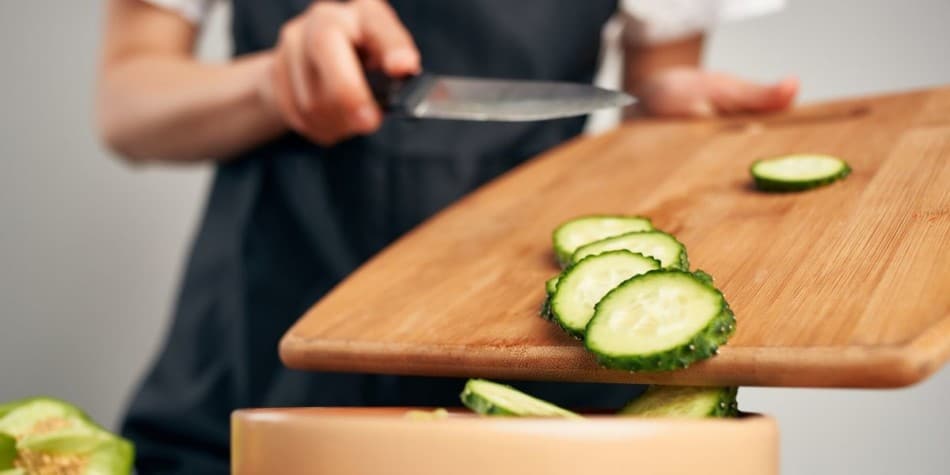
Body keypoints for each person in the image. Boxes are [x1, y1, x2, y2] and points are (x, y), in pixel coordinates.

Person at [97, 0, 797, 473]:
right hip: (259, 328)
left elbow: (655, 85)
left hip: (523, 344)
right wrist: (272, 86)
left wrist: (664, 120)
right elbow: (128, 99)